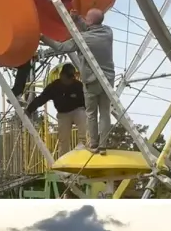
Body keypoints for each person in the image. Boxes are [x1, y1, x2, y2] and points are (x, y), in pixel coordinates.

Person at [40, 8, 115, 152]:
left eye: (86, 18)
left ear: (90, 21)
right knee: (105, 113)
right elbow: (91, 27)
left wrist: (43, 37)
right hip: (107, 80)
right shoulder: (108, 32)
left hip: (91, 82)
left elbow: (60, 47)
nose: (85, 19)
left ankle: (94, 144)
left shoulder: (83, 39)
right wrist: (77, 19)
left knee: (91, 113)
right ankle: (103, 145)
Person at [23, 63, 86, 156]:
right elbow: (41, 99)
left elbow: (88, 101)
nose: (69, 81)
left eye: (71, 78)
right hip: (63, 114)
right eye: (67, 78)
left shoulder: (78, 85)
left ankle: (83, 144)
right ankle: (63, 158)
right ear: (62, 75)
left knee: (82, 115)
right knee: (63, 139)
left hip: (77, 110)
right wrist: (29, 110)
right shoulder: (54, 87)